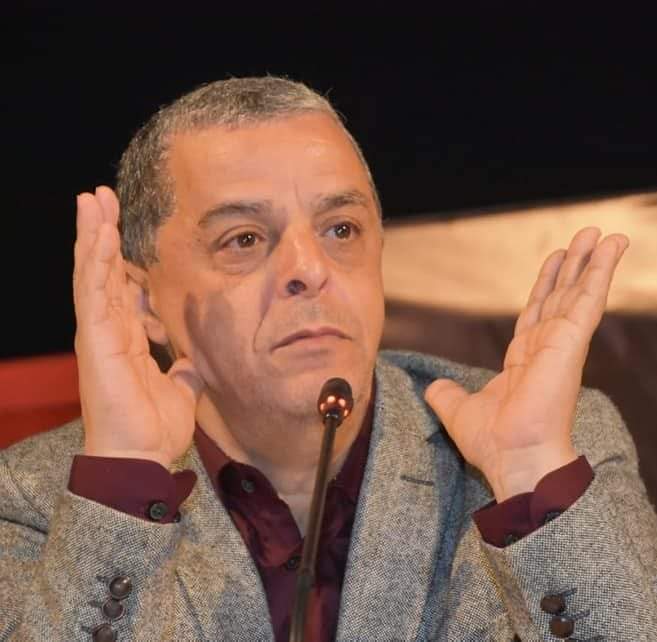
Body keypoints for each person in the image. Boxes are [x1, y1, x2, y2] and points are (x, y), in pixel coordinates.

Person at [1, 76, 656, 642]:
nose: (309, 269)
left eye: (340, 228)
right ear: (143, 301)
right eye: (244, 238)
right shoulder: (28, 498)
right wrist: (122, 486)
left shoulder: (558, 447)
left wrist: (528, 474)